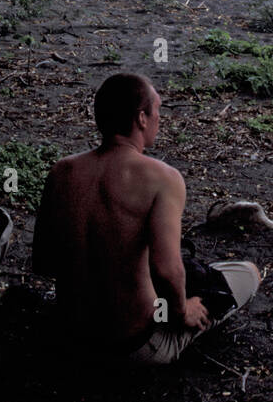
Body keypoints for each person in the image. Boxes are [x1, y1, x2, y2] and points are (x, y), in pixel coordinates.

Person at [32, 72, 261, 364]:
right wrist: (182, 311)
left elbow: (43, 262)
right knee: (246, 274)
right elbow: (166, 269)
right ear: (141, 118)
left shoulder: (62, 171)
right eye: (158, 111)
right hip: (133, 345)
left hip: (70, 335)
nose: (159, 119)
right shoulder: (162, 178)